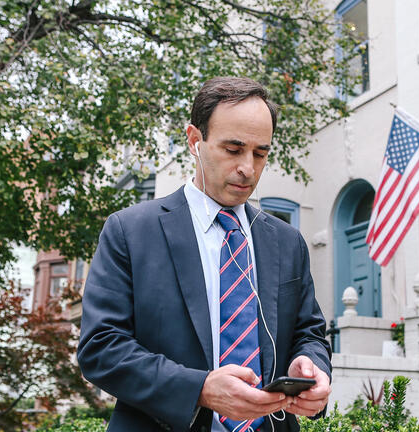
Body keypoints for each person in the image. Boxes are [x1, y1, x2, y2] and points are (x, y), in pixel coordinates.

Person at [78, 77, 332, 432]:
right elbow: (101, 348)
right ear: (195, 141)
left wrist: (310, 363)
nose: (248, 167)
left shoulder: (288, 241)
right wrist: (199, 389)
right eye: (233, 149)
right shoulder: (130, 231)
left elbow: (309, 331)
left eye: (261, 153)